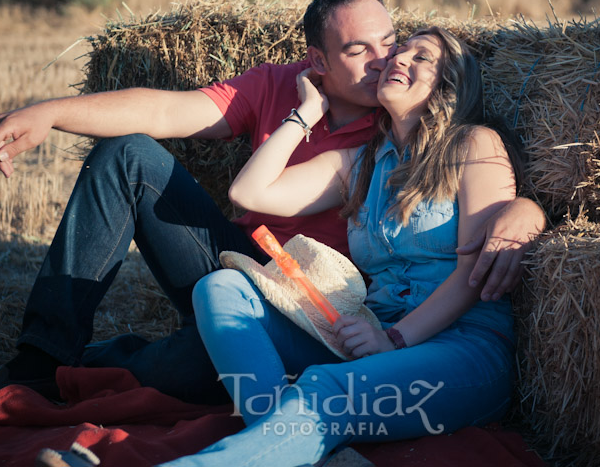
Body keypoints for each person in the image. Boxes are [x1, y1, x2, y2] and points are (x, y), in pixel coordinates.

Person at [0, 0, 545, 417]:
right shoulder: (279, 86)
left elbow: (490, 177)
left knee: (187, 377)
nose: (387, 58)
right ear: (319, 62)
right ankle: (40, 360)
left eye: (391, 40)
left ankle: (113, 361)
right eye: (360, 49)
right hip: (237, 264)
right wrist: (50, 112)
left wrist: (527, 212)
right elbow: (166, 111)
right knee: (127, 156)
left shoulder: (408, 125)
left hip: (324, 303)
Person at [160, 26, 524, 467]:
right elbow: (249, 193)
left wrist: (394, 339)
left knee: (324, 390)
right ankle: (285, 444)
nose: (398, 60)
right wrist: (306, 113)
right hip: (370, 334)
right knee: (220, 288)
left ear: (449, 86)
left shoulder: (473, 144)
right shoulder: (362, 163)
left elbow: (475, 274)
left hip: (463, 347)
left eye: (421, 57)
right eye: (398, 52)